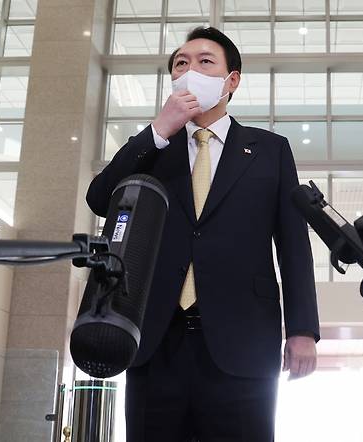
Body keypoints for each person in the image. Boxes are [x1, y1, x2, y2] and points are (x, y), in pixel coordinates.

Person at [86, 26, 320, 442]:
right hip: (156, 341)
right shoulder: (153, 150)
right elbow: (101, 199)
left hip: (242, 339)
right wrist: (159, 130)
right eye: (181, 63)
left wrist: (303, 330)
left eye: (204, 61)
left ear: (231, 81)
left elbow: (293, 245)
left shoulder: (270, 150)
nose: (189, 69)